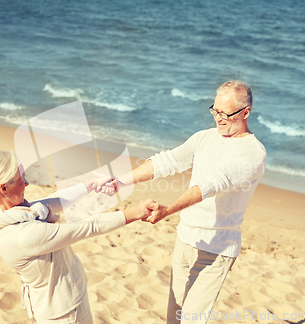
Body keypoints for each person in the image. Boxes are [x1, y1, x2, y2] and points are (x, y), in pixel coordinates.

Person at [97, 81, 267, 324]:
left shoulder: (253, 153)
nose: (218, 118)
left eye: (225, 113)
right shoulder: (205, 137)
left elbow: (212, 184)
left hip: (215, 250)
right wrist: (120, 181)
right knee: (173, 319)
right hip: (185, 239)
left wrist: (168, 210)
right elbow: (169, 161)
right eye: (215, 111)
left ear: (245, 113)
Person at [0, 150, 152, 324]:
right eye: (21, 179)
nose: (26, 184)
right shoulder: (23, 235)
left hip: (51, 304)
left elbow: (51, 203)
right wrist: (138, 212)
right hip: (65, 312)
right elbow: (89, 227)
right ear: (3, 188)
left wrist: (90, 185)